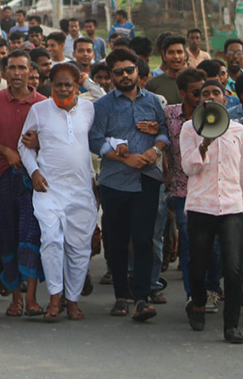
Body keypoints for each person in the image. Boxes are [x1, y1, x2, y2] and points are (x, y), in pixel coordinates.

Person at [89, 47, 168, 321]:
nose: (125, 76)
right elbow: (95, 140)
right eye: (118, 72)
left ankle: (142, 299)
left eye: (129, 70)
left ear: (138, 70)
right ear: (110, 76)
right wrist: (125, 159)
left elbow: (166, 133)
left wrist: (155, 150)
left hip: (147, 180)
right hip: (115, 182)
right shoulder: (102, 106)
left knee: (144, 240)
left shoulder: (154, 102)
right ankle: (121, 297)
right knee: (118, 241)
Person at [19, 62, 98, 322]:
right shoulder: (39, 110)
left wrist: (88, 80)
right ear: (50, 85)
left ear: (76, 86)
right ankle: (54, 298)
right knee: (51, 241)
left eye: (69, 84)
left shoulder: (87, 108)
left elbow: (104, 98)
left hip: (80, 191)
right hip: (48, 188)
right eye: (58, 84)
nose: (63, 89)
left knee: (79, 248)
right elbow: (24, 146)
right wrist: (34, 172)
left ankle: (72, 301)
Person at [0, 50, 45, 317]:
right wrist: (7, 152)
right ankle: (15, 298)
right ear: (5, 72)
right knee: (7, 237)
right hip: (3, 176)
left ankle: (32, 297)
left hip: (33, 179)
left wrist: (37, 145)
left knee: (30, 235)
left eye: (22, 68)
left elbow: (52, 143)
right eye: (12, 68)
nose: (17, 73)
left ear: (30, 71)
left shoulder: (43, 103)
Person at [181, 80, 243, 343]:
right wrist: (204, 144)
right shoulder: (189, 129)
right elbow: (188, 168)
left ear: (225, 99)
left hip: (231, 206)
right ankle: (197, 303)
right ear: (200, 101)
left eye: (216, 93)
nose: (210, 96)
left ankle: (231, 326)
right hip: (201, 206)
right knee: (199, 265)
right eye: (204, 94)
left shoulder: (238, 130)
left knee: (233, 268)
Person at [163, 68, 207, 305]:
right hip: (181, 189)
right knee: (188, 241)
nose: (201, 97)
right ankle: (193, 295)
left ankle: (211, 289)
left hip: (209, 189)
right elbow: (161, 140)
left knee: (214, 245)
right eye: (196, 92)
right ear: (182, 93)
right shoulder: (169, 114)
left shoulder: (213, 114)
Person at [145, 34, 187, 105]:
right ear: (164, 56)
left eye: (179, 52)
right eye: (171, 52)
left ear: (185, 55)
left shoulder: (195, 81)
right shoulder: (152, 84)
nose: (176, 56)